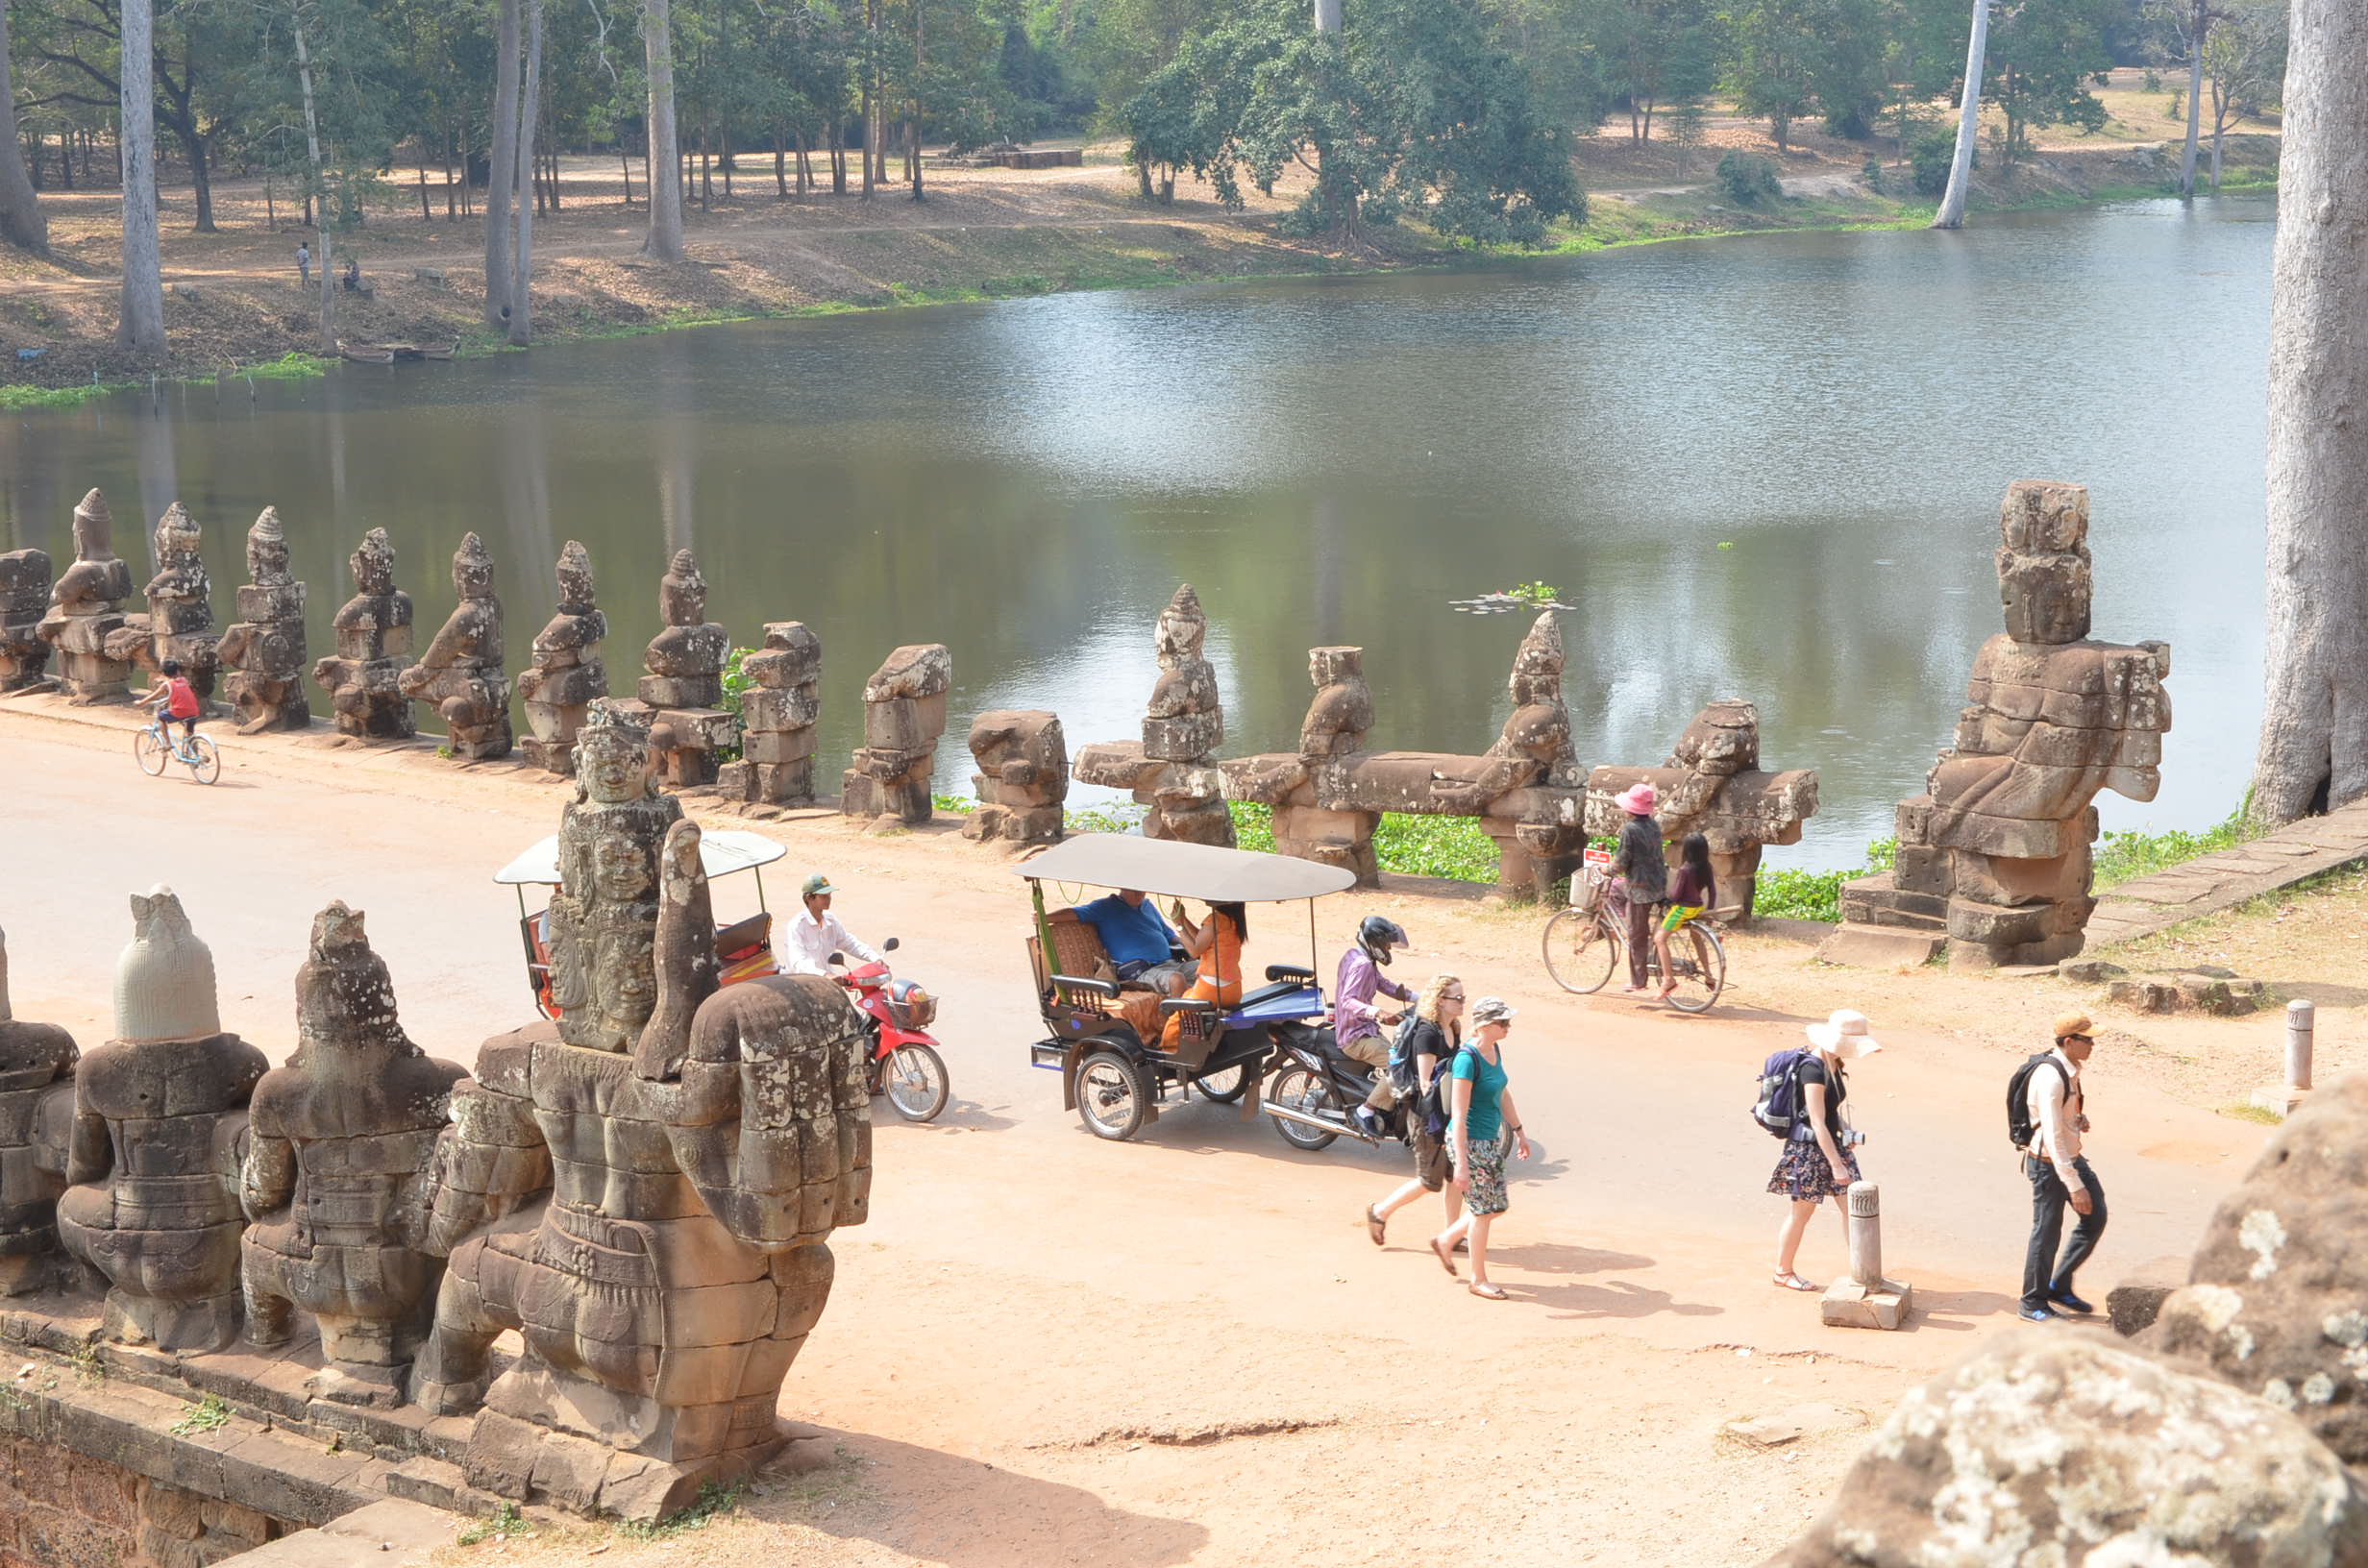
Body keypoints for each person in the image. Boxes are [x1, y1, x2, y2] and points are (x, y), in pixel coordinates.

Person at [1770, 1009, 1880, 1291]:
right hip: (1810, 1151)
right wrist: (1836, 1164)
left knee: (1853, 1208)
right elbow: (1817, 1121)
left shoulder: (1834, 1062)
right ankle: (1783, 1271)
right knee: (1802, 1213)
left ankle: (1863, 1271)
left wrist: (1845, 1132)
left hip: (1834, 1147)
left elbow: (1830, 1113)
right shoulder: (1813, 1069)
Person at [1429, 996, 1530, 1301]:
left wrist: (1519, 1131)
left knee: (1496, 1206)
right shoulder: (1466, 1060)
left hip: (1488, 1141)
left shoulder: (1494, 1050)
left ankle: (1446, 1239)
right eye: (1503, 1022)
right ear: (1486, 1025)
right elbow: (1458, 1116)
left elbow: (1502, 1093)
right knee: (1484, 1211)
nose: (1508, 1027)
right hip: (1469, 1142)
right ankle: (1478, 1279)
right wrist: (1460, 1164)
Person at [1364, 974, 1466, 1245]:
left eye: (1463, 997)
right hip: (1426, 1116)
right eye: (1457, 998)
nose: (1462, 1002)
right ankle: (1379, 1211)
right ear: (1440, 1001)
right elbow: (1426, 1082)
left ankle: (1451, 1234)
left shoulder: (1453, 1028)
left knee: (1455, 1177)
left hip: (1446, 1113)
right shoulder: (1427, 1033)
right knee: (1429, 1181)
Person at [2021, 1013, 2106, 1323]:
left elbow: (2061, 1122)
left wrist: (2078, 1120)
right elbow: (2052, 1137)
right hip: (2050, 1165)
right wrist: (2074, 1184)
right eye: (2088, 1040)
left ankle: (2059, 1284)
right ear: (2069, 1042)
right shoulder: (2051, 1077)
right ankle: (2032, 1302)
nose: (2093, 1045)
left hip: (2068, 1158)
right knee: (2045, 1233)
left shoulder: (2071, 1071)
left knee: (2095, 1216)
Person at [1334, 916, 1413, 1134]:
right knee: (1400, 1065)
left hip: (1365, 1029)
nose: (1389, 949)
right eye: (1387, 944)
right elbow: (1347, 1000)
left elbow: (1382, 984)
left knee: (1399, 1054)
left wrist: (1418, 997)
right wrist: (1378, 1012)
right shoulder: (1362, 965)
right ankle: (1366, 1110)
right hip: (1355, 1037)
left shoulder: (1358, 956)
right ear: (1375, 942)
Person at [1060, 890, 1193, 994]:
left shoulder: (1148, 906)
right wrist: (1043, 918)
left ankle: (1206, 1019)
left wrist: (1190, 947)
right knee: (1177, 980)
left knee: (1210, 969)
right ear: (1122, 887)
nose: (1139, 893)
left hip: (1170, 963)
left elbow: (1168, 934)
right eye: (1133, 889)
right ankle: (1178, 1026)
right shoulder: (1105, 907)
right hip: (1141, 971)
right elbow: (1073, 913)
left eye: (1141, 888)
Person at [1159, 900, 1245, 1052]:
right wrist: (1183, 919)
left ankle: (1168, 1051)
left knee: (1176, 1019)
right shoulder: (1233, 919)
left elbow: (1194, 951)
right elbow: (1202, 939)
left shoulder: (1215, 919)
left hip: (1211, 989)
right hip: (1233, 990)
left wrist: (1178, 926)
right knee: (1187, 995)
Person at [1611, 781, 1667, 994]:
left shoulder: (1630, 829)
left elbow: (1622, 861)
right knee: (1618, 889)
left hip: (1640, 888)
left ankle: (1638, 981)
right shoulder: (1653, 825)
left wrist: (1609, 869)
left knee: (1637, 935)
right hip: (1659, 883)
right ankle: (1627, 922)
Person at [1652, 832, 1716, 1003]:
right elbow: (1712, 890)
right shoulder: (1707, 866)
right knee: (1697, 939)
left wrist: (1665, 899)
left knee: (1659, 939)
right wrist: (1709, 912)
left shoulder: (1685, 869)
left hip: (1682, 909)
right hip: (1697, 908)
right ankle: (1709, 976)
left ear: (1686, 850)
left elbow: (1676, 893)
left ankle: (1668, 980)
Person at [781, 873, 883, 977]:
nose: (829, 899)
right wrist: (825, 975)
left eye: (829, 895)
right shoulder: (796, 926)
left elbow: (849, 943)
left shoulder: (830, 921)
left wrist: (875, 958)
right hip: (803, 983)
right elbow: (798, 963)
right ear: (809, 898)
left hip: (827, 982)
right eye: (823, 896)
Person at [148, 659, 202, 748]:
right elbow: (180, 694)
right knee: (190, 733)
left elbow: (153, 696)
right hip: (194, 711)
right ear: (178, 671)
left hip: (180, 711)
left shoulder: (167, 684)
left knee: (161, 717)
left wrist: (141, 702)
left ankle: (168, 743)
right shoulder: (184, 680)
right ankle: (196, 756)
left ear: (164, 674)